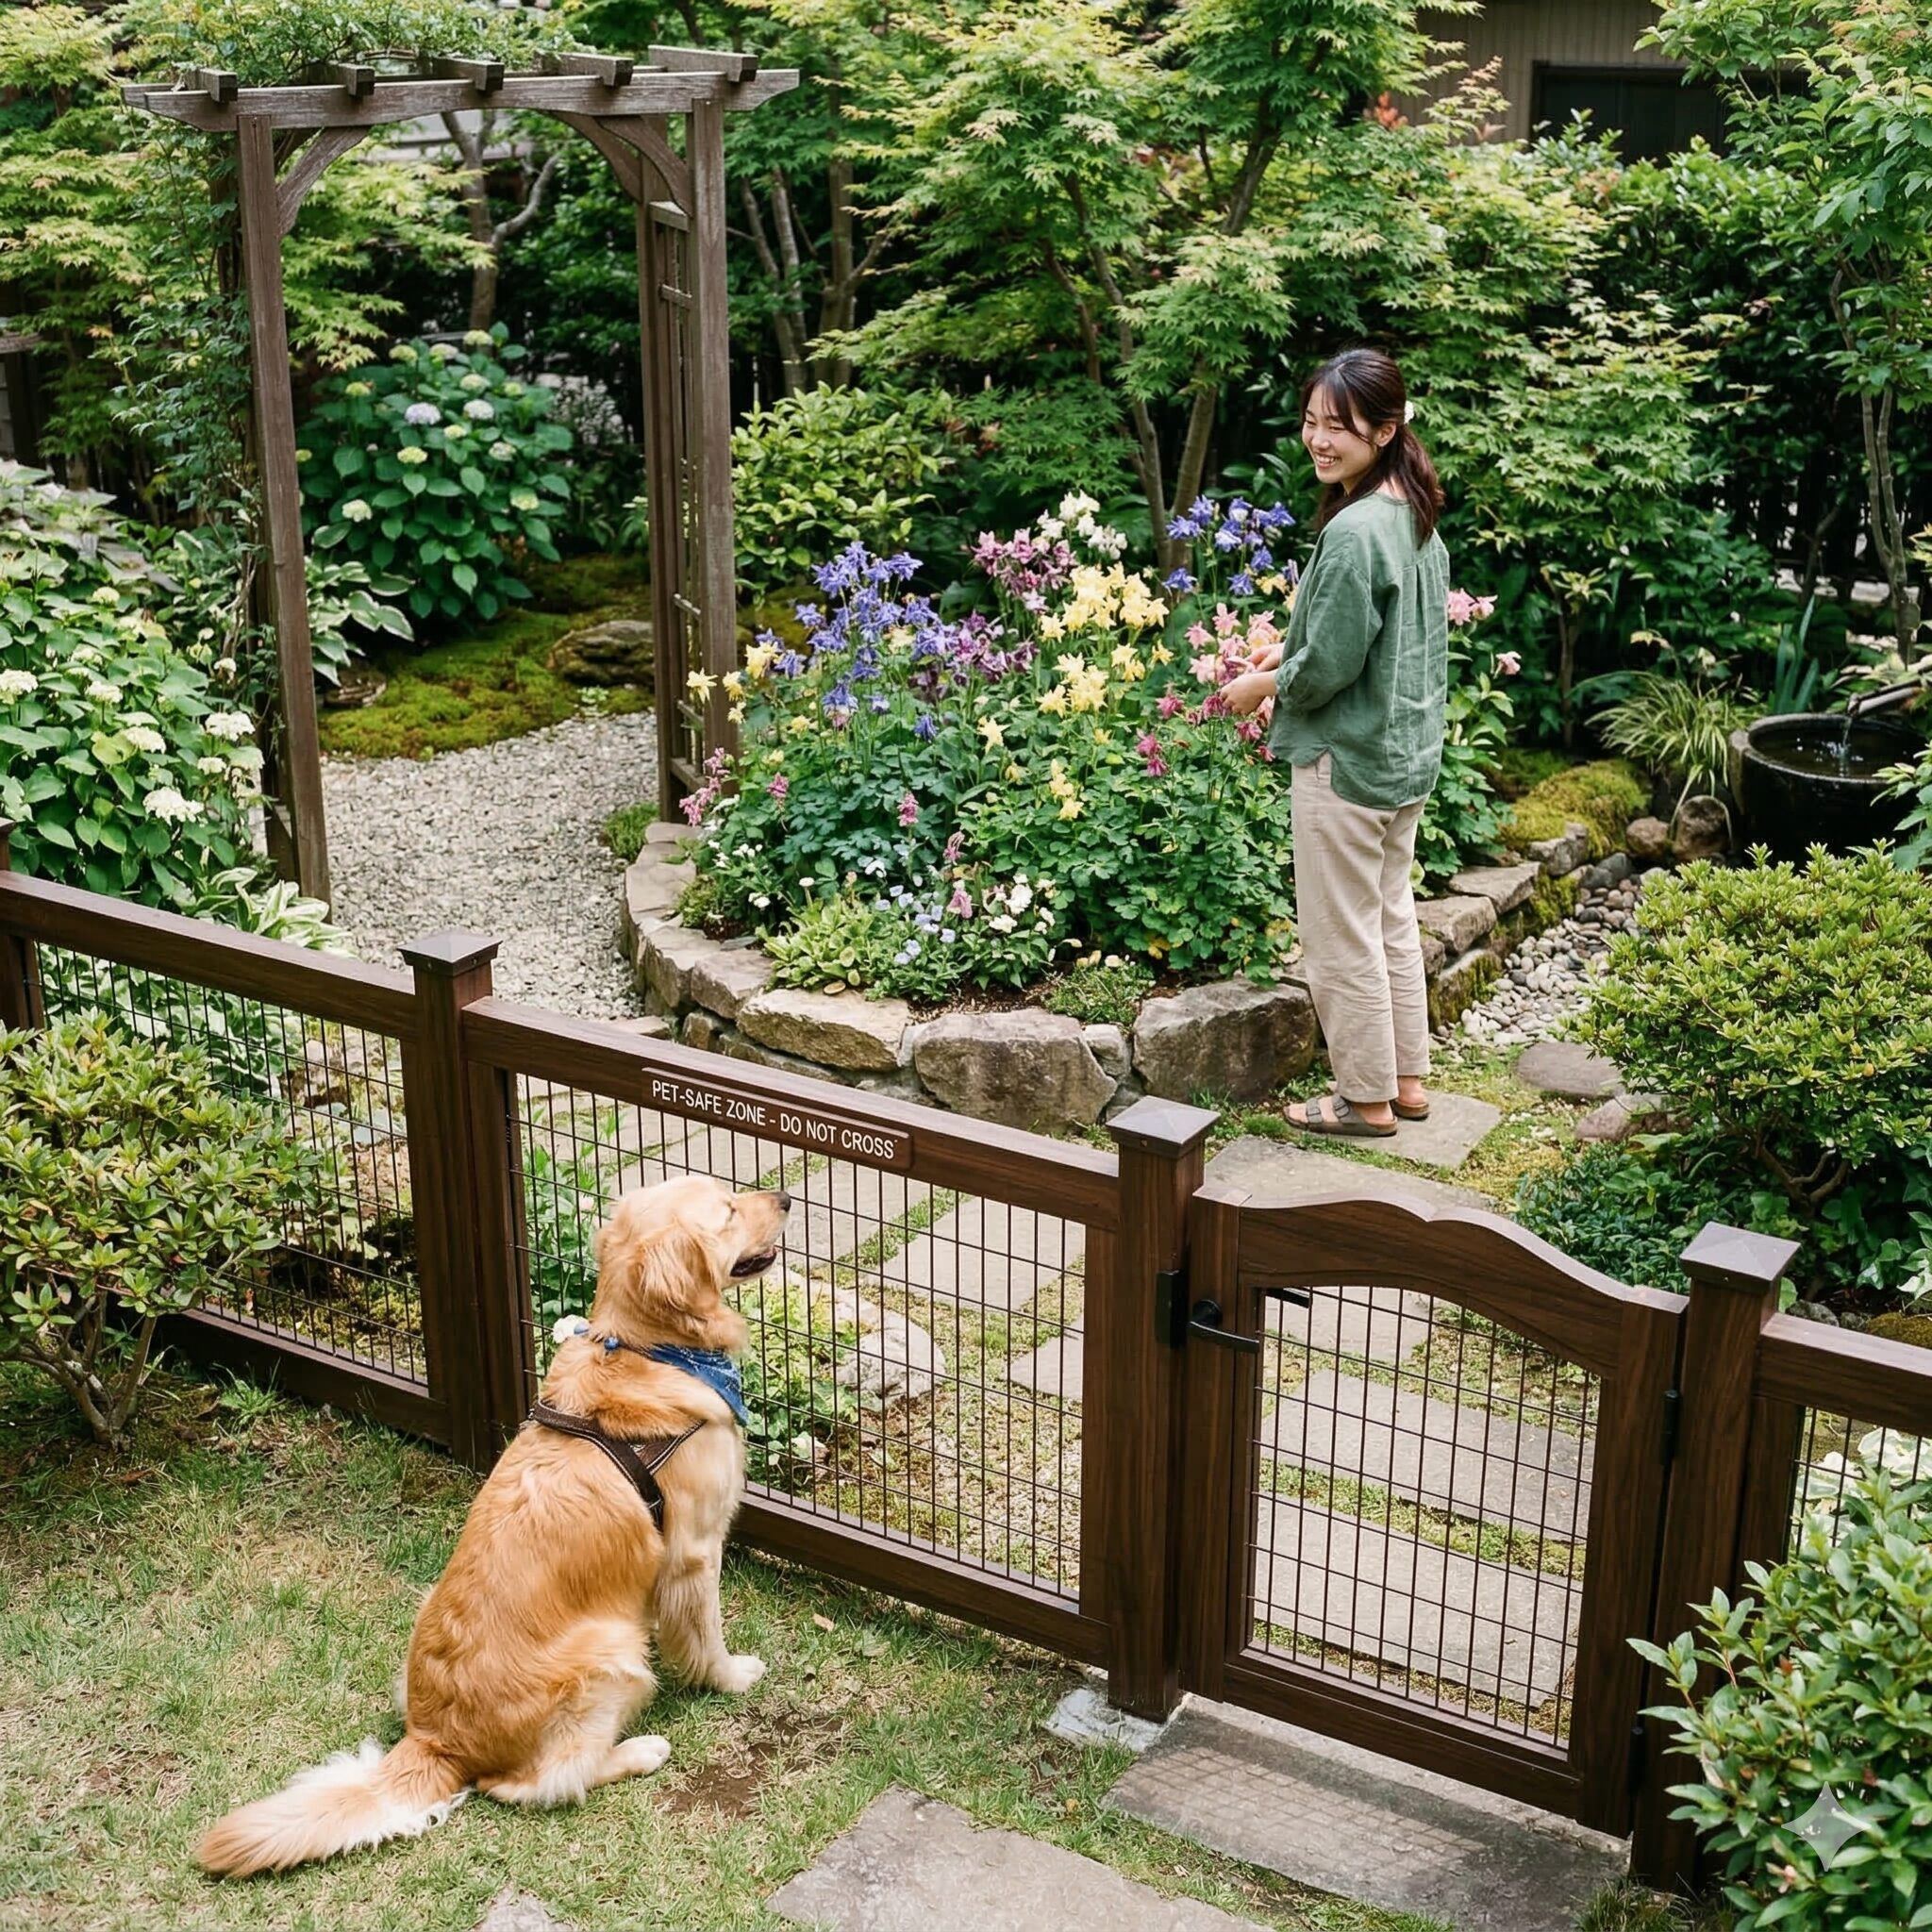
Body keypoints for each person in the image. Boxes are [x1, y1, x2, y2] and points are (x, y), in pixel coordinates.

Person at [1223, 348, 1449, 1137]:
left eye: (1339, 427)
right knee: (1389, 918)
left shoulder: (1356, 530)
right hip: (1401, 757)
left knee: (1338, 936)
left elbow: (1335, 663)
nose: (1319, 440)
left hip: (1345, 760)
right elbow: (1378, 639)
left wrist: (1266, 684)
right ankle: (1406, 1084)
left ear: (1386, 430)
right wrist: (1285, 658)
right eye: (1312, 423)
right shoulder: (1411, 511)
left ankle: (1364, 1101)